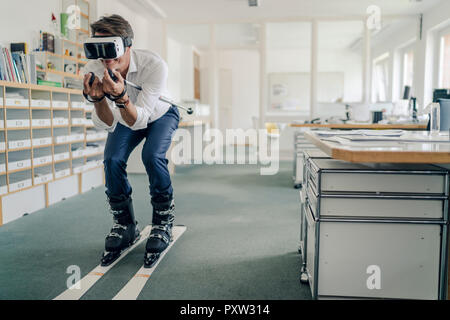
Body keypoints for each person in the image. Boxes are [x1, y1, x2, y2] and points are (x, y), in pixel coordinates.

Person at [82, 14, 180, 268]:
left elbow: (142, 119)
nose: (106, 58)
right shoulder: (93, 69)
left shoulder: (153, 65)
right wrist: (99, 99)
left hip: (160, 114)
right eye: (99, 49)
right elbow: (107, 123)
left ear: (127, 45)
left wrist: (122, 96)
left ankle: (162, 220)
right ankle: (124, 225)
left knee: (152, 156)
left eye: (111, 48)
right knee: (112, 159)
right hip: (127, 116)